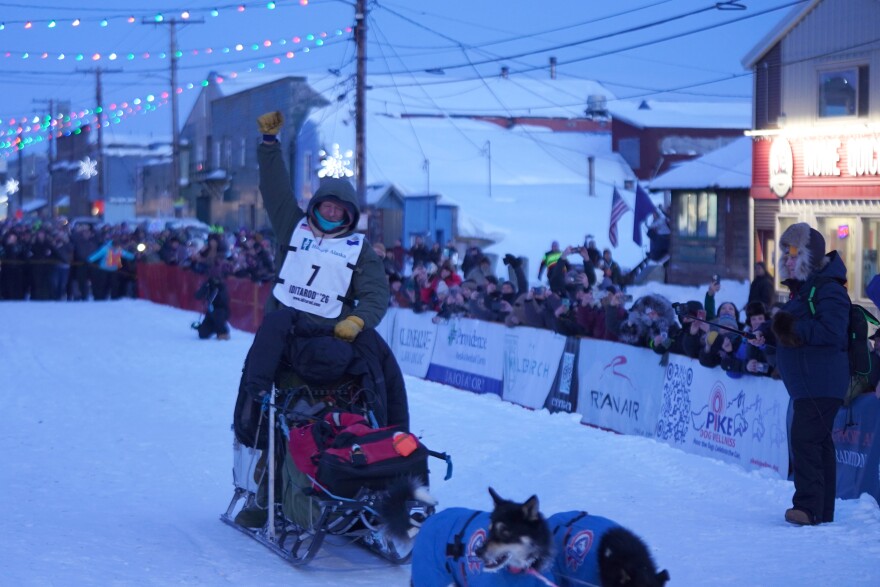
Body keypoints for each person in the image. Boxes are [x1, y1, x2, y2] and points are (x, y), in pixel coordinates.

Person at [752, 222, 849, 526]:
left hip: (822, 383)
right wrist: (770, 334)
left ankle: (808, 508)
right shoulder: (803, 292)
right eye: (786, 255)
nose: (788, 260)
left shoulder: (829, 289)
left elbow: (832, 332)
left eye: (794, 254)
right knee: (818, 443)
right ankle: (822, 510)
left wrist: (789, 328)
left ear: (810, 256)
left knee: (805, 440)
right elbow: (794, 332)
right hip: (812, 385)